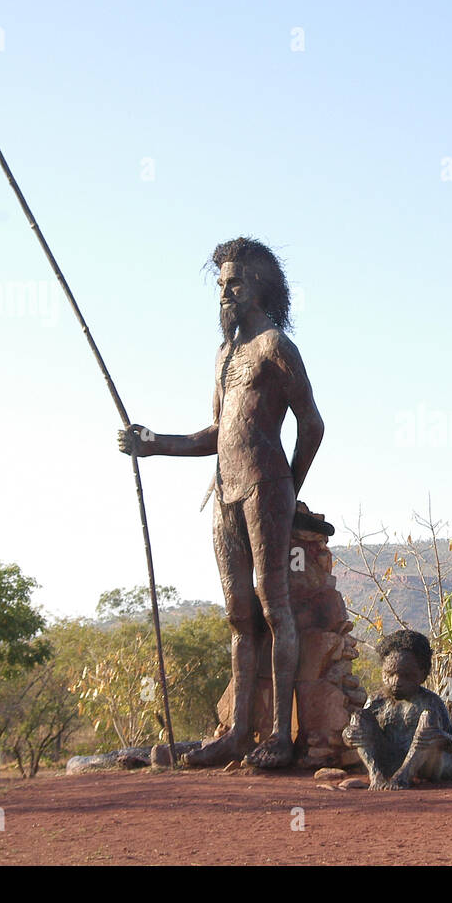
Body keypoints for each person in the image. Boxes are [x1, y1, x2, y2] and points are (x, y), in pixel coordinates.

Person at [119, 237, 323, 769]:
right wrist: (154, 444)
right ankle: (238, 733)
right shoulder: (224, 355)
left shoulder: (276, 347)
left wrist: (290, 489)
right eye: (220, 285)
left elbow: (312, 424)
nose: (224, 293)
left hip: (265, 485)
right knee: (238, 613)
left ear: (259, 286)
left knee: (271, 600)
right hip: (224, 492)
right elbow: (217, 431)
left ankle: (280, 735)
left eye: (233, 283)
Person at [343, 630, 452, 789]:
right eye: (389, 674)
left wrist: (435, 737)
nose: (396, 682)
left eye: (407, 676)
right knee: (358, 718)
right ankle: (376, 776)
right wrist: (350, 735)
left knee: (428, 721)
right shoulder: (376, 701)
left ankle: (405, 775)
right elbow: (360, 735)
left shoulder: (430, 702)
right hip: (390, 760)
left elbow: (451, 743)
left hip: (431, 765)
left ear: (423, 674)